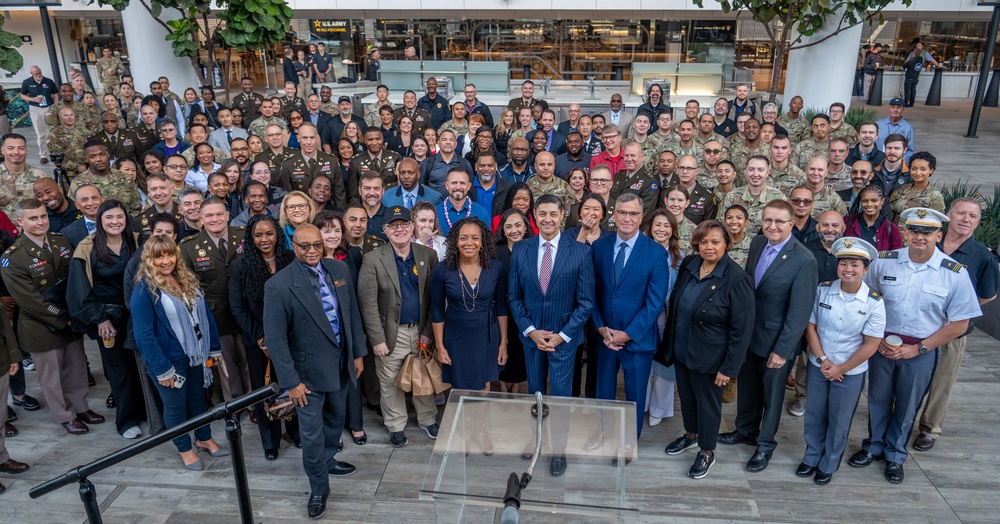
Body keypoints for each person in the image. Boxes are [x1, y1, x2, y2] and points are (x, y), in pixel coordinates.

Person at [848, 208, 980, 484]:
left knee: (908, 405)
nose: (920, 237)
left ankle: (895, 455)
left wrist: (918, 349)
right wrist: (877, 339)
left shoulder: (954, 274)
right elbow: (868, 298)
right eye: (915, 231)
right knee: (877, 399)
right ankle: (874, 446)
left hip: (921, 348)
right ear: (905, 232)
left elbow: (959, 324)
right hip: (882, 344)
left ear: (939, 235)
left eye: (928, 232)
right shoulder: (885, 262)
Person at [263, 223, 365, 519]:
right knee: (311, 434)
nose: (311, 251)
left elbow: (351, 313)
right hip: (305, 375)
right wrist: (291, 382)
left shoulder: (338, 270)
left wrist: (358, 353)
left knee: (335, 419)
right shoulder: (279, 285)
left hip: (340, 363)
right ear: (293, 246)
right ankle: (319, 486)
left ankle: (329, 459)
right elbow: (276, 341)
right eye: (304, 246)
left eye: (316, 245)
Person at [718, 200, 817, 473]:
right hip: (751, 335)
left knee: (772, 397)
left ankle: (764, 446)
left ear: (791, 224)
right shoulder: (758, 243)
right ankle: (745, 430)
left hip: (777, 342)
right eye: (768, 220)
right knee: (748, 389)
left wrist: (783, 350)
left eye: (779, 222)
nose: (772, 226)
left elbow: (799, 312)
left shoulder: (804, 259)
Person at [656, 219, 754, 478]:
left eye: (715, 242)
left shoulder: (737, 279)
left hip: (712, 358)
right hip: (682, 350)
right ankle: (690, 434)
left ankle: (707, 451)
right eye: (704, 241)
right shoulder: (690, 264)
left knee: (708, 406)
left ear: (727, 245)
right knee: (687, 399)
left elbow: (741, 330)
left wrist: (729, 368)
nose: (708, 247)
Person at [507, 195, 594, 475]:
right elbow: (513, 298)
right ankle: (537, 441)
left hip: (563, 341)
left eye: (553, 214)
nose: (547, 219)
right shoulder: (521, 249)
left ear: (562, 216)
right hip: (532, 338)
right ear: (534, 215)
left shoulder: (580, 252)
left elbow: (585, 303)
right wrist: (531, 331)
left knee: (559, 397)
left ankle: (559, 450)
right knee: (536, 395)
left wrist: (563, 335)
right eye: (542, 214)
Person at [3, 199, 104, 436]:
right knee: (52, 376)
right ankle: (64, 415)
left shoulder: (60, 241)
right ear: (20, 221)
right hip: (42, 325)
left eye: (43, 216)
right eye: (33, 218)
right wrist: (62, 317)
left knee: (76, 367)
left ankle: (80, 407)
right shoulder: (13, 257)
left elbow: (75, 278)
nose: (40, 222)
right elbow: (29, 300)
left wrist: (76, 313)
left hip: (71, 318)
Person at [131, 235, 228, 469]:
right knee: (175, 406)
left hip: (195, 354)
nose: (166, 261)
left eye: (169, 254)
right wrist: (162, 369)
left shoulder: (185, 279)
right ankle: (185, 448)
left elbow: (205, 316)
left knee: (197, 400)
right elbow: (144, 335)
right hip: (168, 361)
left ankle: (204, 438)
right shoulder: (144, 290)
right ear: (148, 259)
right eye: (159, 256)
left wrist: (213, 347)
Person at [914, 198, 999, 451]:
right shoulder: (928, 243)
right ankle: (902, 419)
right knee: (911, 376)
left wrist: (960, 313)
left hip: (951, 332)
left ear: (978, 222)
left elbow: (988, 294)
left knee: (942, 381)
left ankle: (929, 429)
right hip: (918, 325)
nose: (965, 219)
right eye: (961, 213)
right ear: (948, 215)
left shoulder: (983, 257)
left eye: (972, 216)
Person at [799, 237, 885, 485]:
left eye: (855, 265)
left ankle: (829, 463)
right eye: (843, 263)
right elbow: (811, 326)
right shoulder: (822, 289)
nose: (848, 269)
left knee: (839, 419)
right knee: (814, 414)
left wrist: (841, 368)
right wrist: (824, 360)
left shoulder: (874, 302)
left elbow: (871, 343)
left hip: (851, 371)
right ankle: (812, 456)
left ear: (866, 269)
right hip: (820, 365)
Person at [592, 193, 670, 449]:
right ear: (614, 215)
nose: (627, 218)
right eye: (622, 213)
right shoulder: (599, 248)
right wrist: (601, 327)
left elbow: (655, 302)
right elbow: (590, 292)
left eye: (633, 214)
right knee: (603, 391)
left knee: (635, 395)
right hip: (605, 337)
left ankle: (629, 441)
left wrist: (628, 333)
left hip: (637, 339)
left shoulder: (656, 253)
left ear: (641, 216)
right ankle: (603, 433)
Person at [358, 207, 440, 447]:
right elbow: (367, 303)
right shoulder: (373, 259)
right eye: (393, 225)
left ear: (413, 226)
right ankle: (395, 425)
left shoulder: (428, 255)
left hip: (420, 331)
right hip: (391, 333)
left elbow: (434, 298)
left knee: (422, 375)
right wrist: (377, 339)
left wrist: (427, 332)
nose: (400, 229)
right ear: (385, 230)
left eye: (404, 224)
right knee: (390, 380)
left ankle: (427, 419)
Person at [68, 199, 146, 439]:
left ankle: (148, 412)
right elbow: (79, 290)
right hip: (108, 318)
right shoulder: (87, 247)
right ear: (99, 221)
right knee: (119, 370)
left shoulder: (137, 240)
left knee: (142, 366)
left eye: (119, 217)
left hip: (139, 313)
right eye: (109, 218)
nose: (115, 222)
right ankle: (127, 421)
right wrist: (100, 320)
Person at [228, 215, 300, 459]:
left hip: (291, 337)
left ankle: (296, 432)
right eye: (258, 235)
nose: (264, 239)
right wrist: (261, 338)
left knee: (293, 384)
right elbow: (238, 308)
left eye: (269, 233)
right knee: (264, 391)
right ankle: (270, 441)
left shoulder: (290, 260)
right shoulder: (240, 266)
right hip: (258, 342)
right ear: (250, 238)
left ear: (277, 234)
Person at [179, 197, 251, 402]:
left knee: (249, 360)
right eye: (209, 215)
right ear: (200, 219)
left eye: (219, 214)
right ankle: (235, 404)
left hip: (246, 311)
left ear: (228, 215)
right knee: (225, 364)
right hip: (215, 315)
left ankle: (254, 403)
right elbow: (188, 285)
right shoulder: (189, 247)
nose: (215, 219)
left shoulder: (244, 236)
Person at [432, 216, 508, 389]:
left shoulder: (495, 268)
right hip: (456, 337)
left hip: (486, 336)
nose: (469, 243)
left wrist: (503, 342)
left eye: (475, 238)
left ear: (482, 243)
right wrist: (440, 345)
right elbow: (436, 309)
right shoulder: (442, 270)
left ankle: (480, 417)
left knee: (484, 388)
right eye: (463, 238)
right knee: (461, 390)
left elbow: (501, 307)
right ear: (455, 242)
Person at [315, 211, 367, 447]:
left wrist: (359, 342)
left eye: (337, 229)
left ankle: (356, 424)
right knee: (329, 382)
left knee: (353, 377)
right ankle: (333, 431)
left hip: (349, 327)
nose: (333, 235)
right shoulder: (310, 260)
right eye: (327, 230)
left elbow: (358, 297)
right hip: (323, 334)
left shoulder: (352, 255)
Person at [644, 209, 683, 427]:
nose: (661, 229)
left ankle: (660, 408)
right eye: (657, 224)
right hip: (644, 317)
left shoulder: (681, 257)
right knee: (645, 364)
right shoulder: (641, 252)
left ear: (673, 230)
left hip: (669, 319)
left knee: (666, 366)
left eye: (666, 225)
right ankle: (644, 404)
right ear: (650, 227)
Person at [494, 208, 532, 393]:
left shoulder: (533, 248)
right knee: (503, 344)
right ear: (503, 230)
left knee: (520, 348)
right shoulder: (495, 252)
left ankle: (517, 384)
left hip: (526, 309)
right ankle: (502, 382)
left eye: (518, 225)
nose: (513, 230)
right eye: (508, 226)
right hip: (501, 308)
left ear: (525, 227)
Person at [0, 134, 52, 218]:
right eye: (10, 148)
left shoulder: (40, 177)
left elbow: (50, 206)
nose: (16, 152)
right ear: (2, 150)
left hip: (32, 228)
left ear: (26, 150)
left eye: (21, 148)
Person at [888, 151, 944, 228]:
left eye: (923, 169)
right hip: (894, 236)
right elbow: (889, 214)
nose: (917, 173)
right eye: (914, 169)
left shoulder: (934, 196)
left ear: (931, 170)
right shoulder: (902, 190)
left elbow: (936, 224)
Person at [844, 184, 903, 252]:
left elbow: (896, 257)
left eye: (874, 200)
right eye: (865, 201)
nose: (869, 204)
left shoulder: (892, 229)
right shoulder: (847, 222)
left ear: (882, 201)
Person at [20, 66, 59, 164]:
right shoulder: (27, 82)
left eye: (39, 72)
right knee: (40, 133)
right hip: (35, 108)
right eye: (36, 73)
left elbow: (55, 94)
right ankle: (43, 155)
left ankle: (55, 152)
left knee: (52, 131)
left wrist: (54, 107)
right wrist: (33, 99)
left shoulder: (49, 81)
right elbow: (23, 95)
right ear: (31, 73)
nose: (38, 75)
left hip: (48, 108)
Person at [437, 168, 491, 235]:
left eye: (462, 183)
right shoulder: (436, 212)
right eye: (454, 183)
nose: (458, 187)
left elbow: (487, 242)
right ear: (447, 185)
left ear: (468, 186)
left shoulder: (481, 213)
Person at [902, 39, 944, 108]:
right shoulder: (916, 57)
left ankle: (906, 103)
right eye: (917, 45)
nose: (918, 46)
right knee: (913, 89)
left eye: (919, 45)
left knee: (908, 90)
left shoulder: (924, 53)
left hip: (910, 75)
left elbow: (931, 59)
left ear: (922, 47)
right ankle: (911, 103)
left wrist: (938, 65)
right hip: (916, 75)